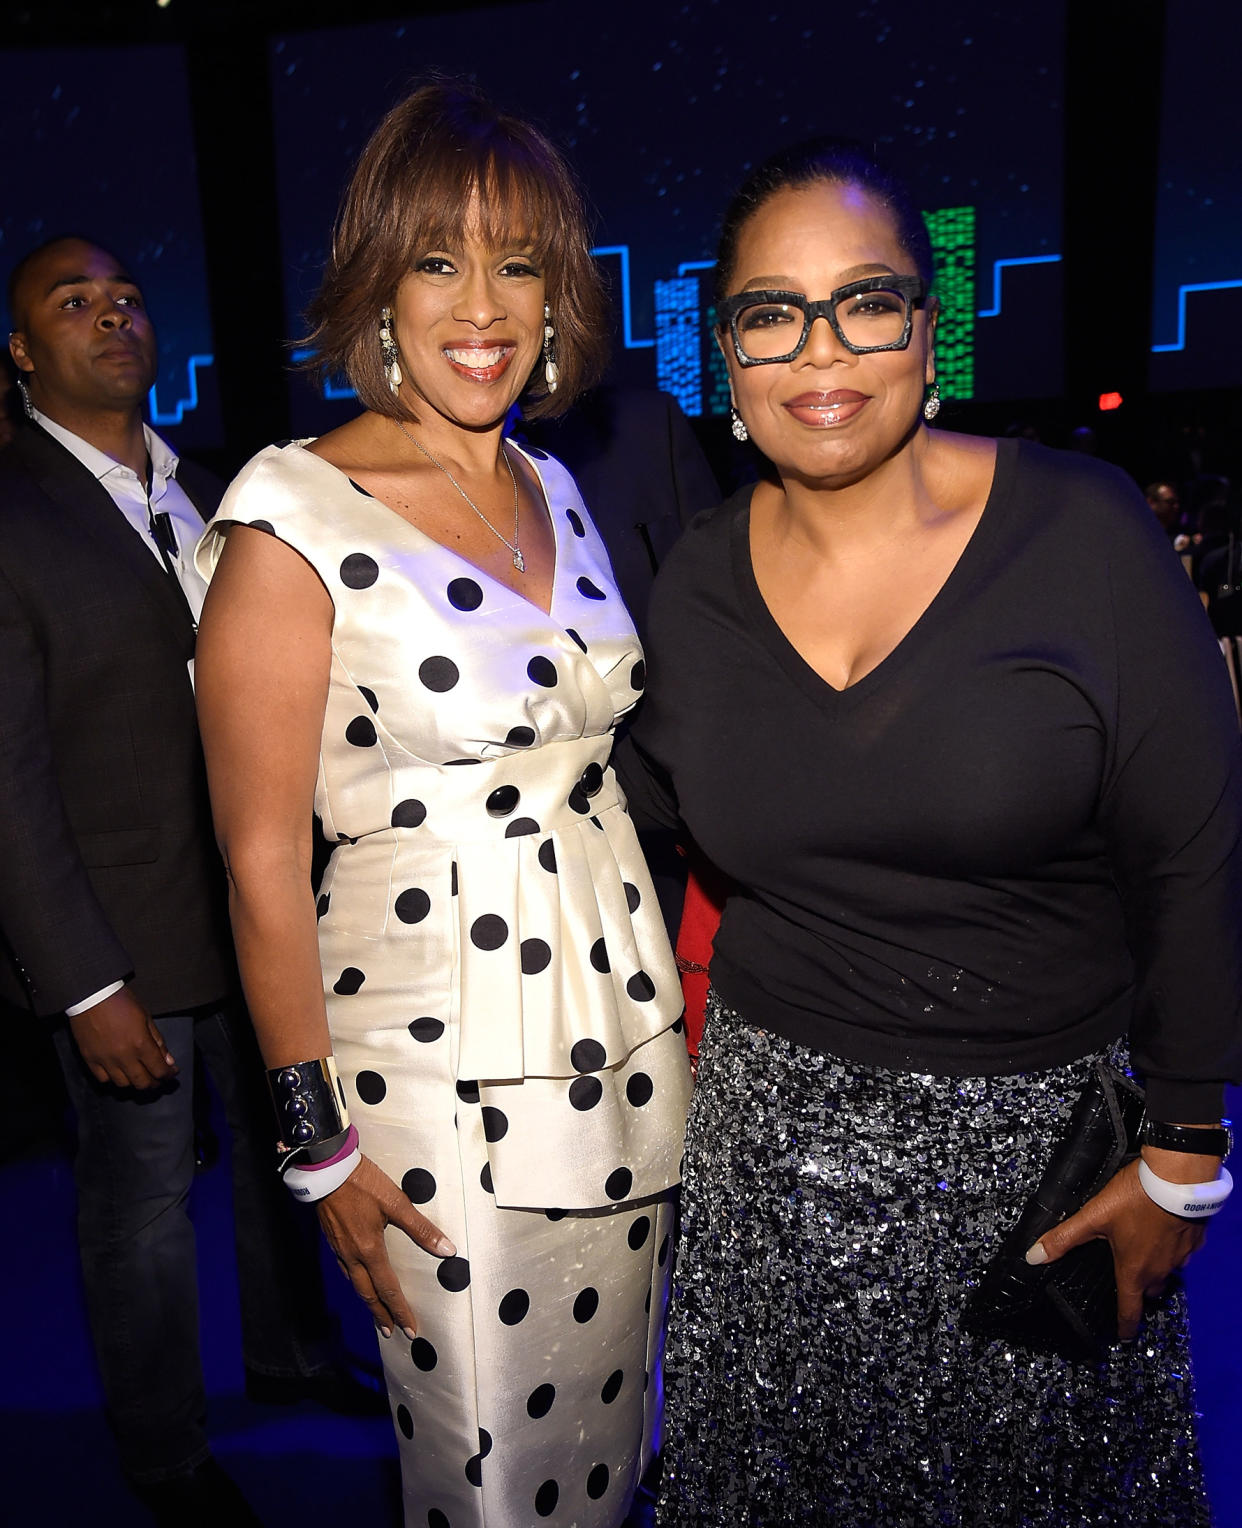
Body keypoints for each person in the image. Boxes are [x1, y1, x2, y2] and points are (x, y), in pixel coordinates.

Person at [617, 140, 1241, 1526]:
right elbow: (626, 829)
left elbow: (1194, 856)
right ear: (726, 360)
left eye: (866, 301)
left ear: (924, 330)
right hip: (769, 1173)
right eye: (771, 311)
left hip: (1036, 1170)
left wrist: (1185, 1157)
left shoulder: (1079, 534)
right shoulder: (692, 589)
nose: (819, 349)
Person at [192, 82, 692, 1528]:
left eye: (518, 263)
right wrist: (316, 1143)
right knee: (486, 1461)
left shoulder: (552, 483)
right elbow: (255, 863)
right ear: (376, 286)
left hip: (620, 1038)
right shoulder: (291, 515)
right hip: (430, 1076)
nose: (482, 304)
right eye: (437, 260)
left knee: (610, 1436)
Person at [0, 236, 359, 1528]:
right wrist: (83, 981)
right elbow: (7, 781)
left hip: (249, 912)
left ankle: (293, 1353)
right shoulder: (9, 511)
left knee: (286, 1159)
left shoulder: (211, 492)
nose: (113, 317)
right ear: (23, 352)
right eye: (72, 304)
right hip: (117, 942)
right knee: (142, 1209)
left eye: (129, 298)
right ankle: (161, 1453)